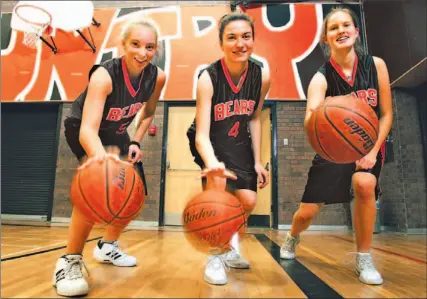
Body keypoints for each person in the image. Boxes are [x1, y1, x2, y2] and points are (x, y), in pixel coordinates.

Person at [279, 6, 393, 285]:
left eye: (346, 25)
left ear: (355, 31)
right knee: (307, 212)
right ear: (326, 39)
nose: (341, 30)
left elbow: (386, 115)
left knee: (364, 185)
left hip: (368, 145)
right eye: (334, 28)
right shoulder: (320, 78)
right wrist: (319, 116)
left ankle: (364, 258)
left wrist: (370, 151)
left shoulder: (375, 65)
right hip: (333, 149)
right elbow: (310, 121)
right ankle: (292, 236)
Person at [52, 19, 166, 297]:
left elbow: (149, 112)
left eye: (150, 47)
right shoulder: (104, 75)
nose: (142, 52)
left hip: (117, 133)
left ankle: (107, 247)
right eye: (136, 44)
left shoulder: (157, 77)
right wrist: (103, 166)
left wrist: (137, 138)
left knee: (135, 193)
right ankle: (69, 261)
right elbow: (88, 131)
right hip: (83, 128)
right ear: (123, 45)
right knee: (96, 188)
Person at [187, 12, 270, 285]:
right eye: (231, 38)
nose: (240, 44)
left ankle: (230, 242)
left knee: (247, 201)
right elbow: (201, 134)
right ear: (221, 43)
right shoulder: (208, 78)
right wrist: (212, 164)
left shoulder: (261, 75)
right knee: (218, 193)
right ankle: (214, 255)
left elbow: (255, 117)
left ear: (253, 40)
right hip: (209, 140)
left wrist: (258, 161)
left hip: (239, 141)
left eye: (246, 36)